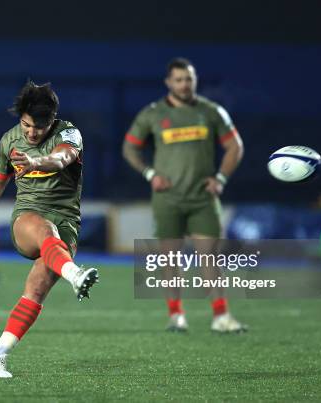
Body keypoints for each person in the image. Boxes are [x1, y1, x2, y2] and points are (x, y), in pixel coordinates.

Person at [0, 81, 99, 378]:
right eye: (26, 125)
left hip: (67, 225)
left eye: (38, 127)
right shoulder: (9, 140)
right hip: (28, 219)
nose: (31, 132)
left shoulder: (69, 133)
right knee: (43, 228)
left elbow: (61, 158)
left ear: (52, 119)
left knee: (35, 291)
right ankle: (74, 274)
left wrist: (36, 160)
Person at [122, 57, 247, 333]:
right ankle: (176, 315)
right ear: (168, 82)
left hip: (203, 198)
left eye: (188, 79)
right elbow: (129, 148)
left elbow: (235, 147)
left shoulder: (211, 111)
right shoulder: (152, 114)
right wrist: (150, 174)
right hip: (168, 199)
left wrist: (221, 178)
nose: (184, 84)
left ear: (195, 80)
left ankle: (221, 316)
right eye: (178, 79)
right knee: (170, 259)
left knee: (210, 258)